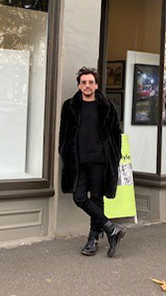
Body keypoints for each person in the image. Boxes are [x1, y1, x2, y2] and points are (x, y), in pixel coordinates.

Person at [59, 67, 126, 257]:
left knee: (97, 198)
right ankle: (111, 228)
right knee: (79, 197)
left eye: (90, 82)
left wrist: (115, 156)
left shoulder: (107, 106)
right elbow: (64, 135)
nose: (87, 86)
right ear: (79, 86)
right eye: (83, 83)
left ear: (96, 85)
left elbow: (116, 135)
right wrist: (65, 153)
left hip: (100, 161)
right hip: (78, 161)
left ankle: (93, 239)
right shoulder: (70, 106)